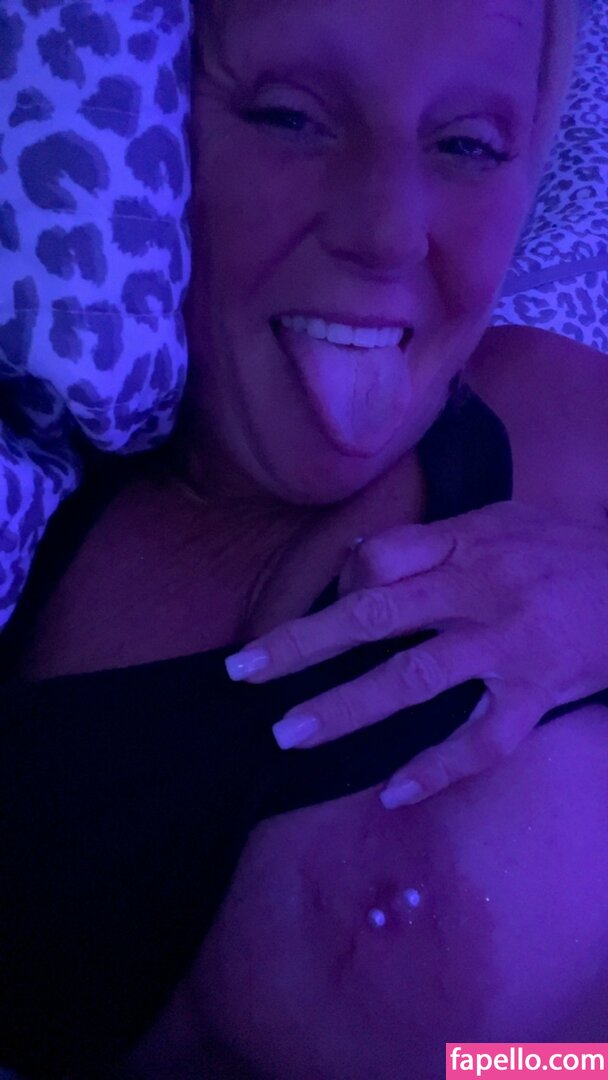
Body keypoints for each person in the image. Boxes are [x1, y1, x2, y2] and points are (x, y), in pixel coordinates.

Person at [1, 0, 608, 1077]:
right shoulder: (33, 525)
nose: (387, 229)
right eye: (290, 117)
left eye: (468, 145)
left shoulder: (554, 414)